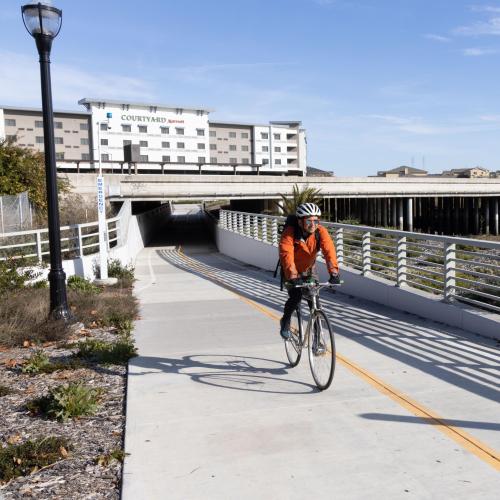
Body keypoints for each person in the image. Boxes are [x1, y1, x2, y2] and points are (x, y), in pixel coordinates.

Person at [278, 202, 340, 339]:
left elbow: (329, 251)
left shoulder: (320, 231)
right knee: (295, 297)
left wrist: (334, 272)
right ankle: (285, 321)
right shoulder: (289, 233)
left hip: (309, 270)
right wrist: (293, 276)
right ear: (300, 222)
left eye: (316, 221)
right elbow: (286, 255)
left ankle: (317, 340)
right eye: (309, 221)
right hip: (291, 271)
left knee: (315, 302)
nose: (313, 224)